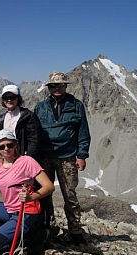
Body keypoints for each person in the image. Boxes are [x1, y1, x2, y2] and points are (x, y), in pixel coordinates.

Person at [34, 72, 91, 245]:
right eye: (53, 85)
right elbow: (34, 133)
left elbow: (83, 132)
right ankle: (48, 227)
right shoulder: (40, 107)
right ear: (48, 88)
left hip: (67, 157)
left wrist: (81, 155)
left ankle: (75, 230)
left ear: (66, 86)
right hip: (44, 157)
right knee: (44, 194)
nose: (56, 88)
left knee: (70, 195)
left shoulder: (76, 105)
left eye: (60, 85)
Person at [0, 85, 39, 159]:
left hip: (22, 157)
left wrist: (28, 158)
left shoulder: (27, 116)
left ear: (18, 98)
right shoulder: (0, 120)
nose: (9, 100)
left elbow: (33, 140)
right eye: (6, 98)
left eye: (12, 97)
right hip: (6, 159)